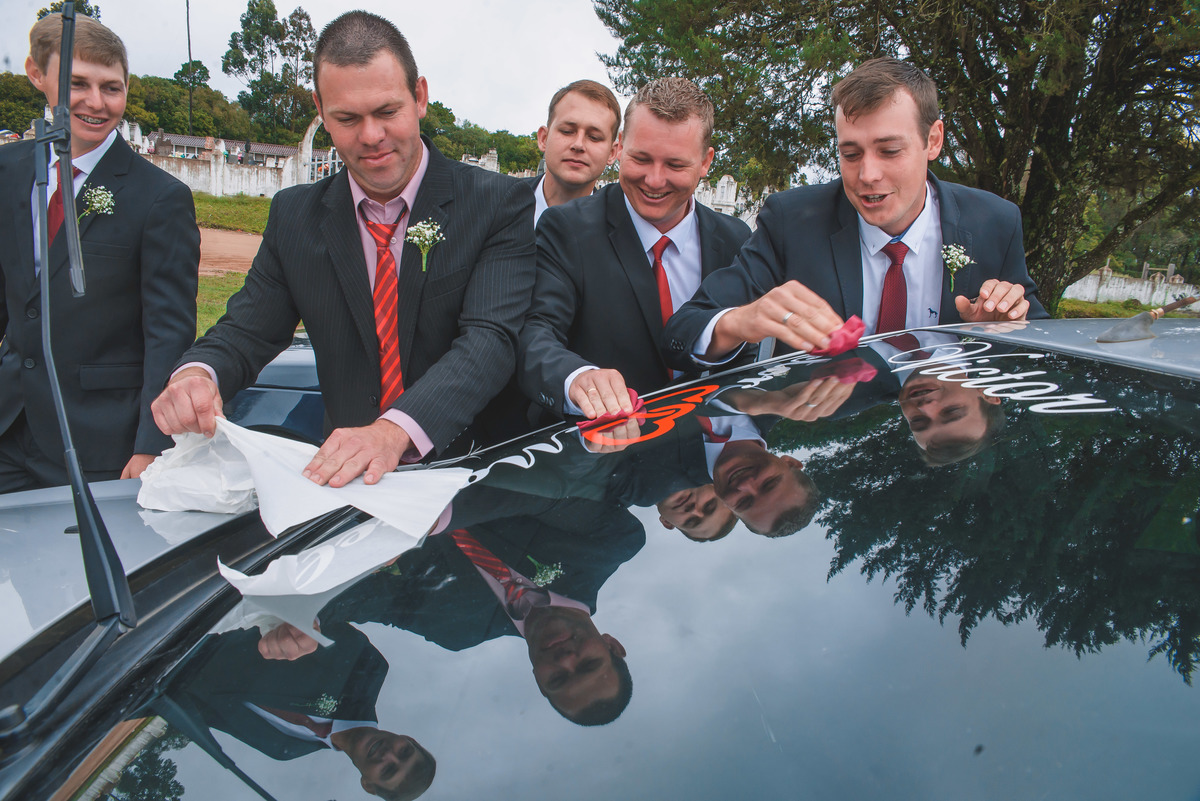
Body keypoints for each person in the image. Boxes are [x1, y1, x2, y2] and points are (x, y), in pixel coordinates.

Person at [152, 11, 535, 487]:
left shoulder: (497, 203)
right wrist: (198, 373)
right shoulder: (295, 215)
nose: (371, 137)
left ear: (419, 97)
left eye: (387, 112)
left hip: (471, 478)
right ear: (320, 110)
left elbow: (490, 340)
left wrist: (393, 431)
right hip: (350, 485)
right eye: (347, 119)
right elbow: (247, 330)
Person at [663, 57, 1049, 371]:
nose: (867, 175)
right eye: (850, 154)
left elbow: (1045, 350)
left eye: (889, 151)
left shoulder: (994, 222)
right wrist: (741, 321)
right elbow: (682, 332)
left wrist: (1003, 332)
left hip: (946, 455)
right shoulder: (792, 219)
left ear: (933, 140)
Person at [0, 15, 199, 493]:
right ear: (36, 74)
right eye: (76, 83)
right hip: (9, 424)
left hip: (99, 441)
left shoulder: (159, 197)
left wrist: (151, 444)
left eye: (112, 88)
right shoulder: (7, 170)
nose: (95, 102)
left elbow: (168, 329)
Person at [519, 77, 751, 421]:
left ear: (705, 162)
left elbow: (743, 353)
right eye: (641, 159)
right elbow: (535, 333)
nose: (654, 181)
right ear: (621, 148)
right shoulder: (566, 228)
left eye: (675, 165)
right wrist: (576, 378)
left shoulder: (735, 238)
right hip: (597, 455)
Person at [172, 623, 436, 799]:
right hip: (193, 614)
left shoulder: (282, 749)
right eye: (404, 752)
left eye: (388, 771)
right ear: (408, 739)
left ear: (368, 784)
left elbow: (197, 707)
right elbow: (308, 609)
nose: (389, 754)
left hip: (151, 665)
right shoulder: (366, 669)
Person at [525, 79, 621, 225]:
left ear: (612, 153)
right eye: (567, 131)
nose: (578, 144)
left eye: (594, 137)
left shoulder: (622, 234)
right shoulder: (496, 205)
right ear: (543, 138)